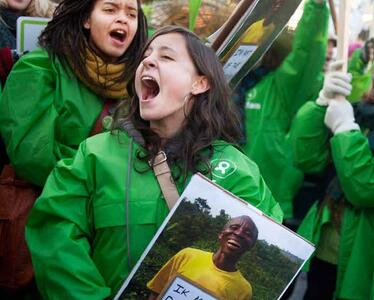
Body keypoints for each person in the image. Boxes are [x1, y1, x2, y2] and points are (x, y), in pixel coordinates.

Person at [26, 26, 283, 299]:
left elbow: (269, 240)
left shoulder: (236, 170)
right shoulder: (94, 155)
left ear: (200, 83)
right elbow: (56, 236)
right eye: (146, 56)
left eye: (167, 57)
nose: (147, 61)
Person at [0, 0, 147, 186]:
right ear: (87, 19)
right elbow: (34, 159)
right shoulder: (39, 67)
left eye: (131, 14)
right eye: (110, 10)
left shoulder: (140, 83)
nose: (123, 20)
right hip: (54, 207)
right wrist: (107, 174)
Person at [291, 59, 374, 299]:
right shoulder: (360, 111)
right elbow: (307, 159)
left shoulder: (350, 120)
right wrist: (321, 104)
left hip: (364, 259)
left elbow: (366, 189)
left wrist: (345, 128)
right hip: (326, 246)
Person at [240, 0, 328, 220]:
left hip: (271, 202)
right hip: (233, 191)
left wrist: (315, 8)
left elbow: (306, 52)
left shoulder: (285, 86)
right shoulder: (242, 83)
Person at [147, 215, 258, 300]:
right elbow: (156, 291)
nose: (239, 234)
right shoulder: (187, 255)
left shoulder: (244, 289)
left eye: (248, 233)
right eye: (234, 227)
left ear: (250, 246)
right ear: (221, 234)